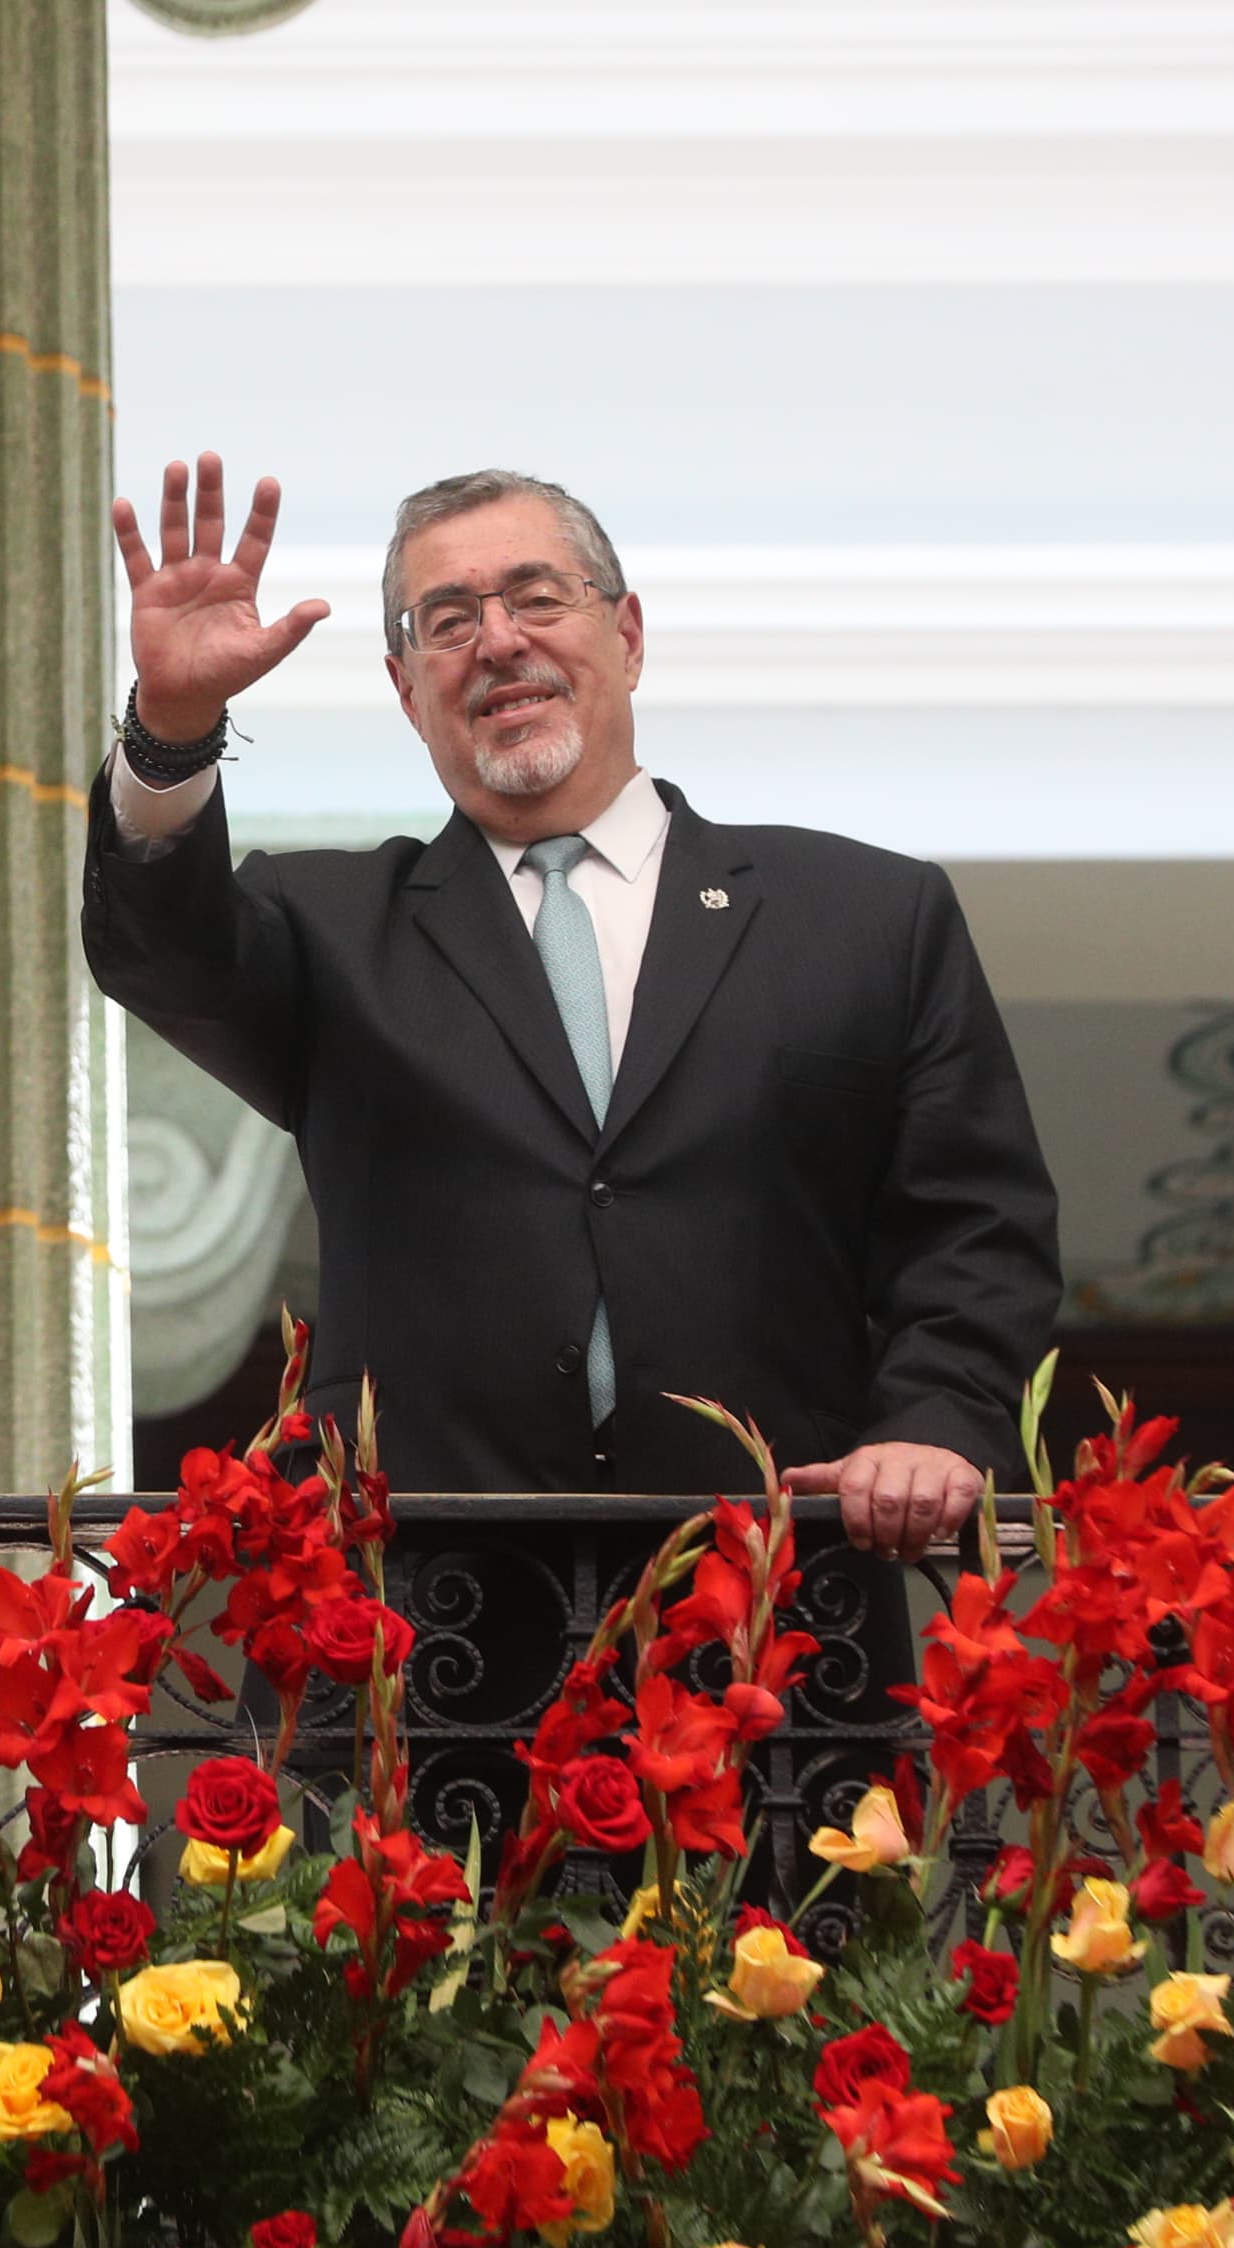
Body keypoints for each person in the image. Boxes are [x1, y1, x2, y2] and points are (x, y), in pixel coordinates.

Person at [82, 456, 1059, 1561]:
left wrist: (934, 1425)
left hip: (777, 1637)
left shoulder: (868, 917)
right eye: (445, 620)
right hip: (424, 1641)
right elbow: (159, 950)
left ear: (627, 635)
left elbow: (975, 1229)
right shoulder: (329, 926)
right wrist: (170, 725)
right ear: (407, 693)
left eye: (537, 598)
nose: (497, 640)